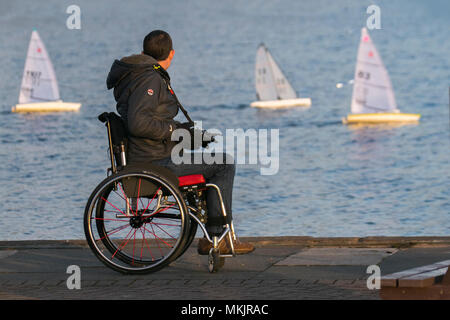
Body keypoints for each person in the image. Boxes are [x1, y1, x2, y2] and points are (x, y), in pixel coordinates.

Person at [106, 30, 254, 255]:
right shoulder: (149, 78)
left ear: (144, 51)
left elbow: (151, 120)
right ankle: (216, 237)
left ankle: (212, 236)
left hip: (152, 154)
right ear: (171, 54)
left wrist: (187, 133)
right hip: (155, 162)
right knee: (224, 164)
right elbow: (139, 123)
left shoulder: (138, 74)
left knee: (213, 159)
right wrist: (175, 130)